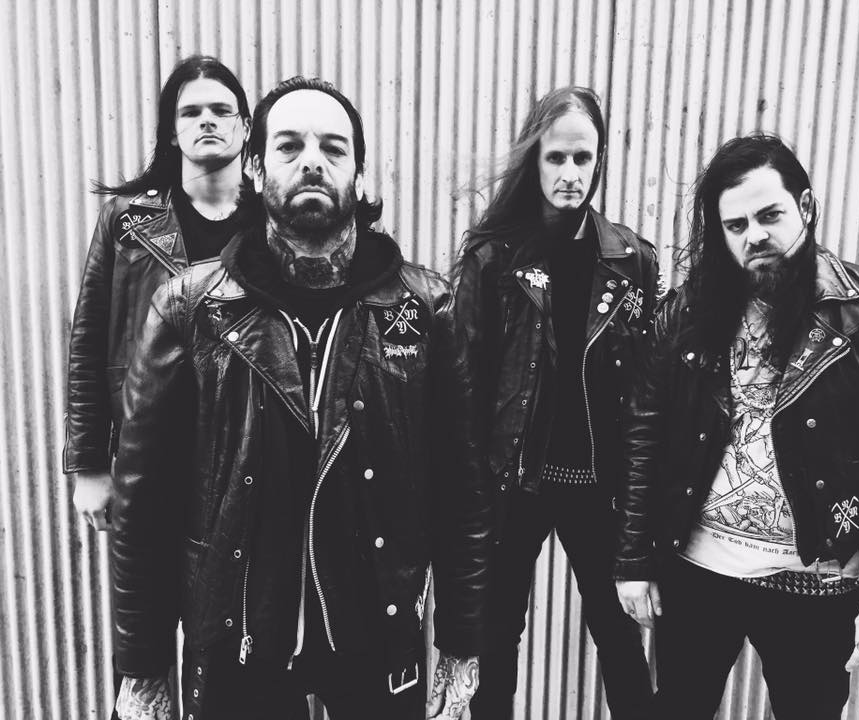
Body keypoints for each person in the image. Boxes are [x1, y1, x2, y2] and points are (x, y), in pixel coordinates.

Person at [110, 77, 489, 720]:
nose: (312, 160)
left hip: (377, 633)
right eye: (289, 146)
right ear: (256, 169)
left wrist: (461, 642)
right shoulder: (189, 309)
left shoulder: (425, 309)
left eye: (333, 148)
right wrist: (142, 666)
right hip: (239, 634)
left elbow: (462, 489)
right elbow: (143, 501)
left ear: (359, 176)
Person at [614, 134, 859, 719]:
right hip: (697, 572)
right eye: (735, 225)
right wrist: (633, 560)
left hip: (815, 581)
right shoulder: (688, 313)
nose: (754, 236)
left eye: (769, 215)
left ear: (805, 207)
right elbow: (644, 435)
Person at [454, 86, 658, 719]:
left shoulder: (631, 260)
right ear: (533, 160)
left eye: (583, 158)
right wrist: (468, 498)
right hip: (515, 482)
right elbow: (465, 390)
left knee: (619, 634)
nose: (571, 173)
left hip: (598, 487)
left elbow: (646, 397)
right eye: (556, 158)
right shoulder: (493, 258)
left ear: (600, 161)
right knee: (497, 636)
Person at [64, 54, 251, 530]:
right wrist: (89, 465)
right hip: (151, 451)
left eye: (221, 110)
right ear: (172, 132)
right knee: (149, 578)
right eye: (190, 112)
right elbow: (89, 343)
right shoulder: (127, 221)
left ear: (246, 127)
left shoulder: (272, 224)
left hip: (251, 457)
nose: (207, 120)